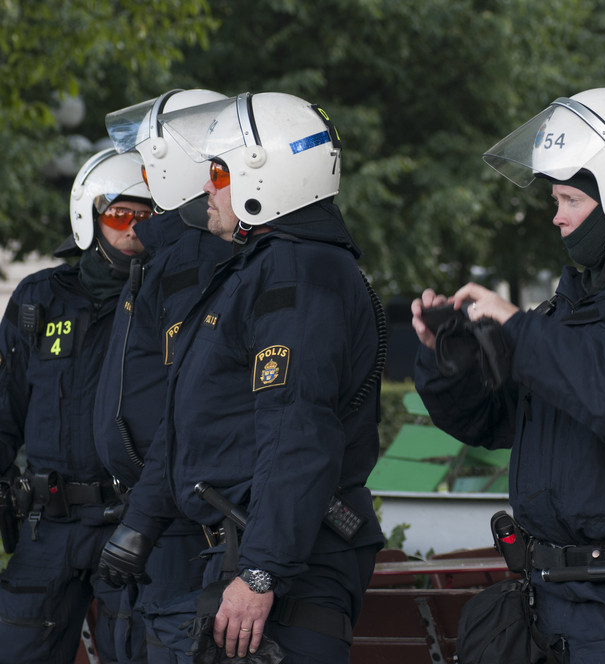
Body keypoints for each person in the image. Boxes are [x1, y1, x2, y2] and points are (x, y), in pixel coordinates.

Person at [411, 88, 605, 662]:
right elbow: (489, 422)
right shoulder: (562, 313)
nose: (557, 217)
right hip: (544, 601)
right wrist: (448, 360)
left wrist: (520, 331)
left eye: (571, 200)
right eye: (556, 199)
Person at [96, 92, 386, 664]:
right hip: (247, 549)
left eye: (219, 173)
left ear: (265, 176)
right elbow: (189, 417)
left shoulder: (297, 272)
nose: (207, 188)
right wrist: (140, 525)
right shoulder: (258, 268)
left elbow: (297, 430)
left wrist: (261, 571)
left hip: (285, 567)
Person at [95, 89, 233, 663]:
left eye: (153, 159)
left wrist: (146, 516)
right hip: (155, 512)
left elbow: (188, 410)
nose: (146, 174)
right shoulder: (169, 252)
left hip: (181, 519)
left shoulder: (196, 257)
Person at [0, 148, 153, 663]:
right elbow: (4, 409)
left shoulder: (169, 301)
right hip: (47, 525)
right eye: (121, 214)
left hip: (135, 523)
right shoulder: (38, 298)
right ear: (90, 215)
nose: (135, 229)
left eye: (148, 216)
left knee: (136, 650)